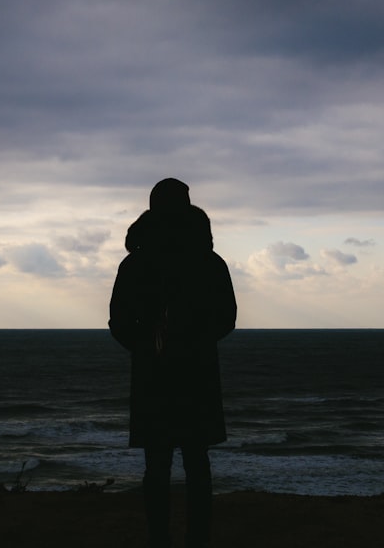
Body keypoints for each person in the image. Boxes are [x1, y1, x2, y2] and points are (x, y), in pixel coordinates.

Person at [109, 179, 237, 548]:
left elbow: (118, 322)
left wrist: (148, 349)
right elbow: (226, 318)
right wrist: (193, 343)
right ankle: (196, 538)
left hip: (154, 375)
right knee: (196, 464)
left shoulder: (136, 263)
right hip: (196, 374)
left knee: (159, 465)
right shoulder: (209, 262)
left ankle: (159, 539)